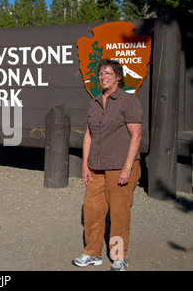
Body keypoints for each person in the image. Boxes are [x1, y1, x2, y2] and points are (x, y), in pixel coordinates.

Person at [72, 59, 143, 271]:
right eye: (100, 73)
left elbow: (136, 135)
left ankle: (120, 257)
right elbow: (88, 135)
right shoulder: (94, 103)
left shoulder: (128, 101)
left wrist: (127, 168)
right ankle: (92, 253)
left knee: (119, 214)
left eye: (108, 73)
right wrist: (85, 165)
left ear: (119, 77)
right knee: (92, 211)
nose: (103, 76)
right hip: (96, 166)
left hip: (120, 167)